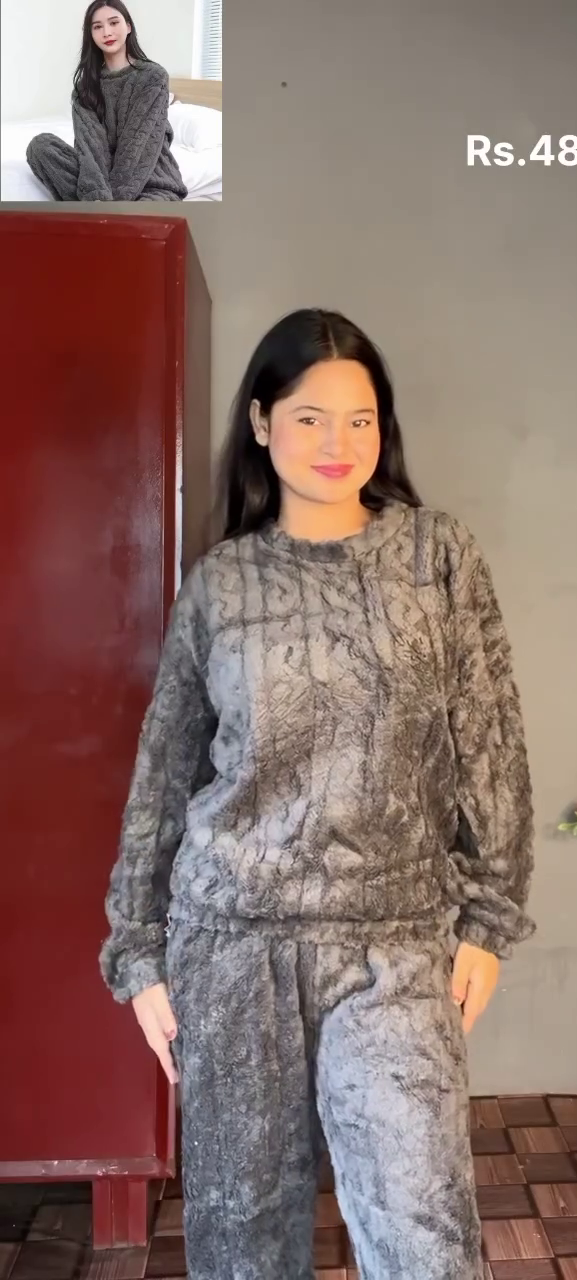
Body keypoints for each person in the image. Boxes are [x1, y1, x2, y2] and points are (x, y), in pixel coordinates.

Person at [99, 308, 536, 1280]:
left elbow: (491, 743)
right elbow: (166, 773)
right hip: (231, 946)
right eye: (309, 416)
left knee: (424, 1236)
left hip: (393, 941)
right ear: (262, 423)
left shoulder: (437, 558)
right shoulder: (222, 585)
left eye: (360, 418)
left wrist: (489, 917)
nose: (338, 442)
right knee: (244, 1241)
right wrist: (138, 950)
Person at [26, 1, 187, 203]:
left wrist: (108, 207)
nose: (107, 32)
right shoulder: (84, 88)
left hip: (152, 184)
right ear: (91, 34)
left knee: (136, 215)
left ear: (128, 26)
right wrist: (97, 196)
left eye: (113, 23)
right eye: (97, 27)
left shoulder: (153, 77)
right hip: (102, 186)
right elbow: (91, 147)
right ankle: (97, 208)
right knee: (40, 147)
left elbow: (137, 147)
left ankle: (94, 212)